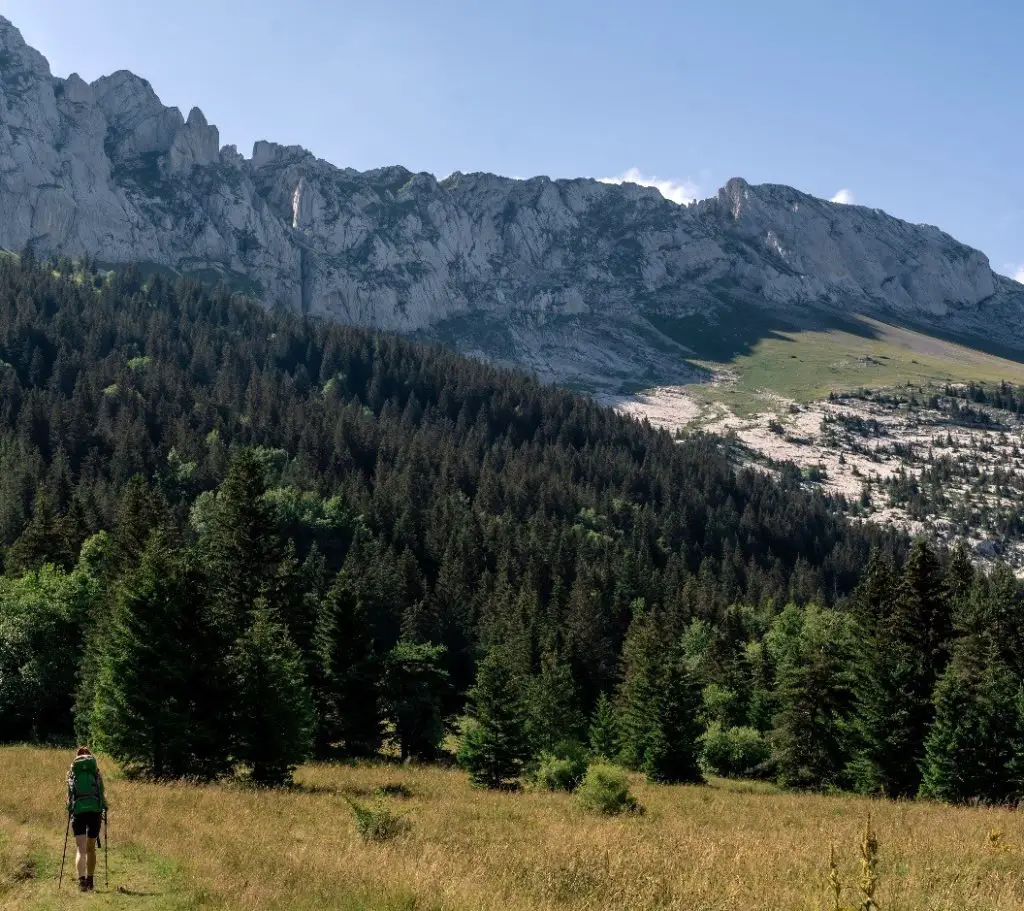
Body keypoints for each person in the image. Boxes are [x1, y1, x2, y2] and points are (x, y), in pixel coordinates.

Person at [66, 747, 107, 892]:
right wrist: (104, 807)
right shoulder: (96, 773)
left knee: (80, 849)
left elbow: (70, 796)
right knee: (91, 848)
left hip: (78, 812)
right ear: (91, 758)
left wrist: (70, 809)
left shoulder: (72, 773)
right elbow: (101, 793)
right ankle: (90, 880)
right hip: (94, 811)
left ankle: (81, 881)